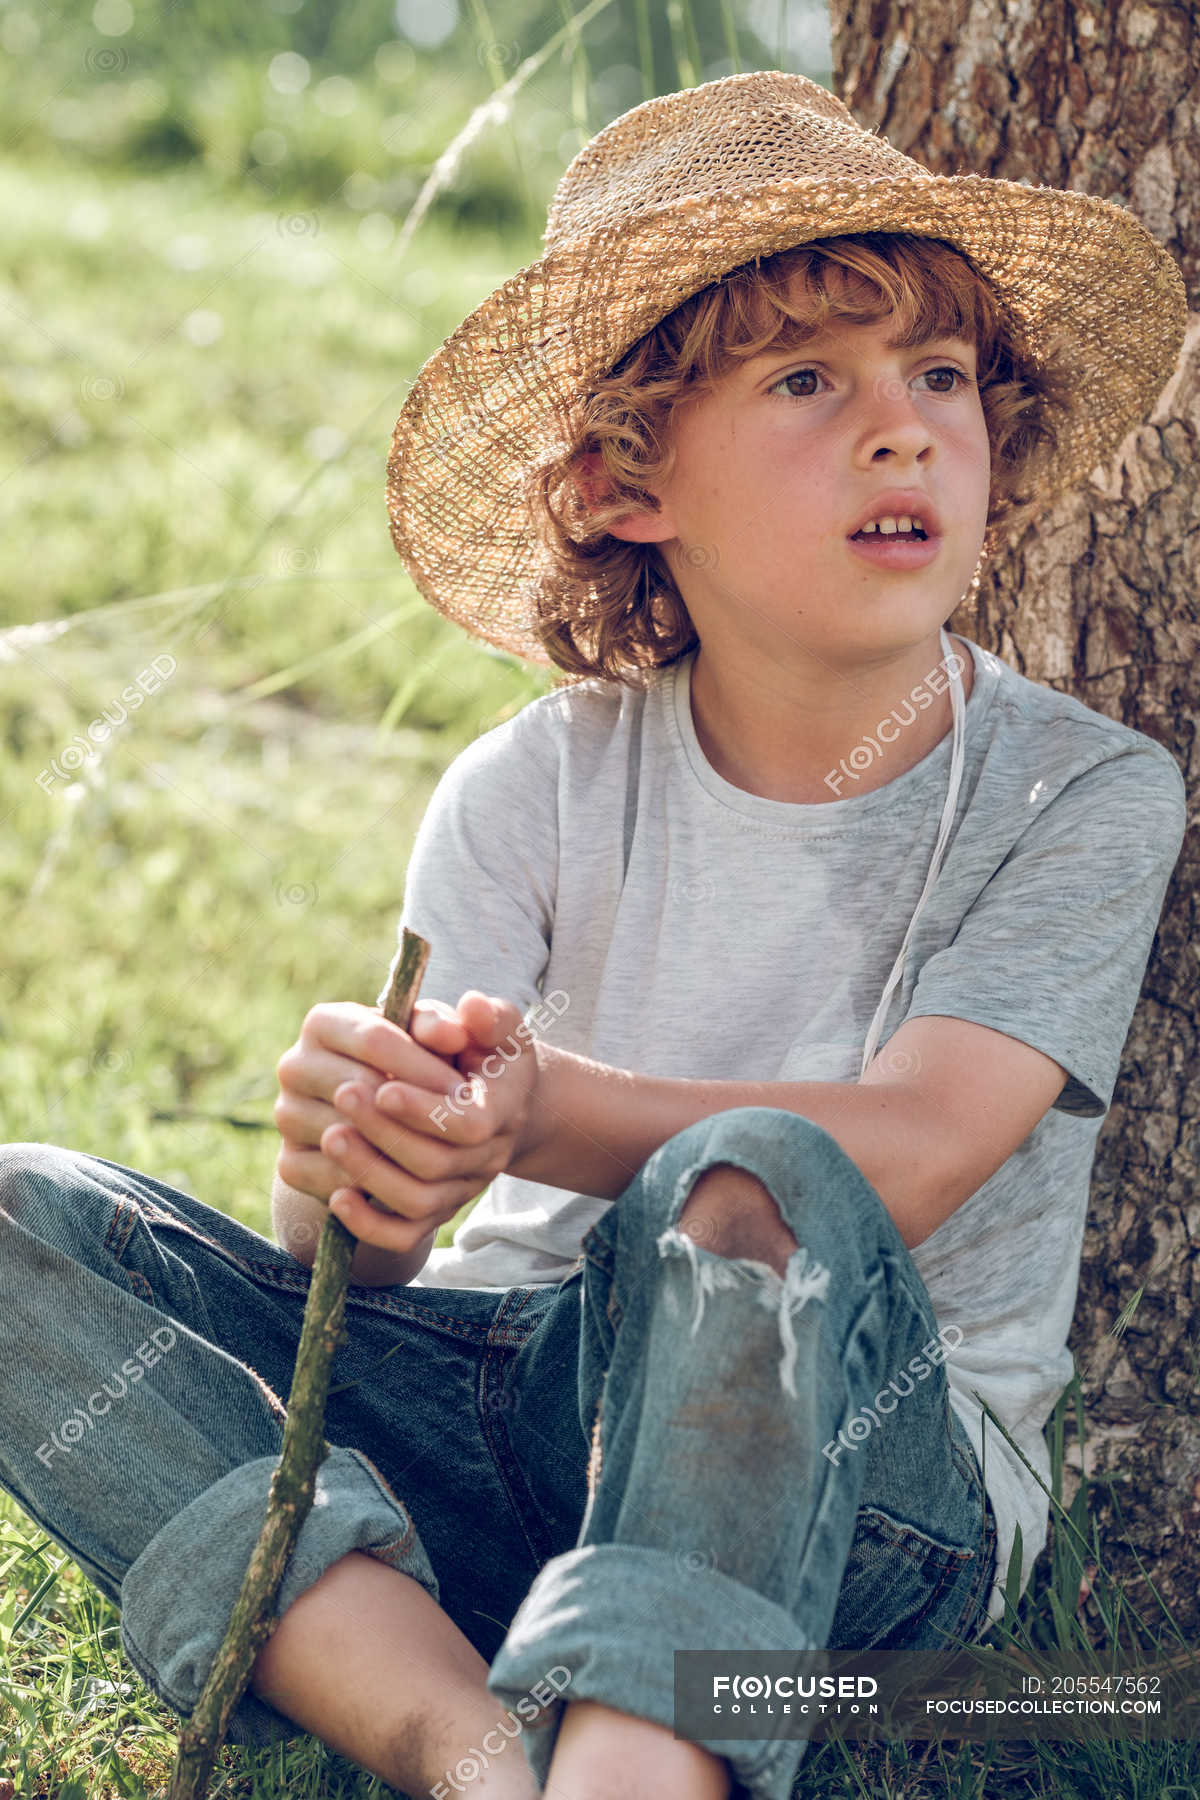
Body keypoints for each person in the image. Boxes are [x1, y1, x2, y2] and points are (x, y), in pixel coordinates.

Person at [0, 69, 1188, 1800]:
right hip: (509, 1422)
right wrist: (371, 1160)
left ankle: (635, 1762)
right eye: (807, 382)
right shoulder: (528, 787)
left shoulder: (1079, 793)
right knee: (23, 1215)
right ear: (635, 483)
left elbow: (923, 1152)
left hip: (858, 1502)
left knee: (752, 1184)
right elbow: (376, 1270)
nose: (902, 428)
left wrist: (551, 1112)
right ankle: (476, 1748)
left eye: (940, 376)